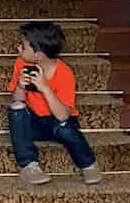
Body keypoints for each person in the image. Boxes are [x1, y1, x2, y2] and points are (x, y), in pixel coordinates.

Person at [8, 21, 102, 186]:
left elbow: (62, 115)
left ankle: (88, 163)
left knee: (66, 127)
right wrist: (20, 86)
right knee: (16, 109)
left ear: (38, 55)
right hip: (34, 121)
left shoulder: (65, 74)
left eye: (23, 47)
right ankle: (29, 165)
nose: (18, 49)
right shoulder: (21, 64)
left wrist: (45, 88)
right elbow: (17, 99)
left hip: (57, 121)